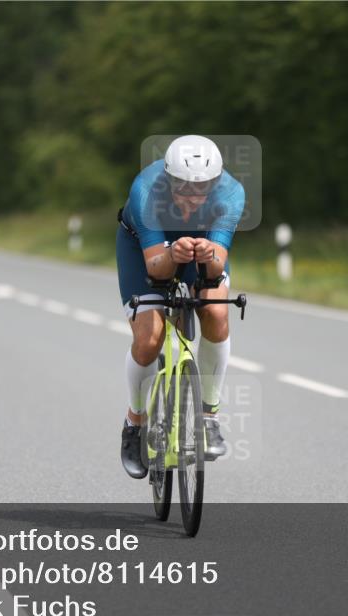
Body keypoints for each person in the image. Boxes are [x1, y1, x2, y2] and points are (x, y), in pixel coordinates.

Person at [116, 135, 245, 479]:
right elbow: (156, 269)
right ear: (169, 179)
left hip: (198, 250)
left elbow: (216, 267)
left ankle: (210, 418)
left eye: (202, 188)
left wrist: (208, 255)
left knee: (217, 313)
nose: (192, 197)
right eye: (183, 187)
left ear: (216, 182)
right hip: (146, 251)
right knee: (149, 339)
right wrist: (173, 254)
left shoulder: (231, 193)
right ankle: (135, 424)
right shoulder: (145, 189)